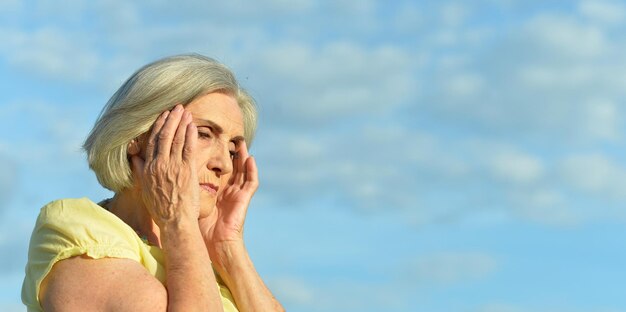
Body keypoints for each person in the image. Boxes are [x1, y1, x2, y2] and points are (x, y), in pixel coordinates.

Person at [21, 54, 285, 311]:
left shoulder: (205, 261)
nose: (224, 165)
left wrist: (227, 246)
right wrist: (177, 220)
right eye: (204, 134)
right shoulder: (77, 230)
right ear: (136, 136)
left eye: (231, 150)